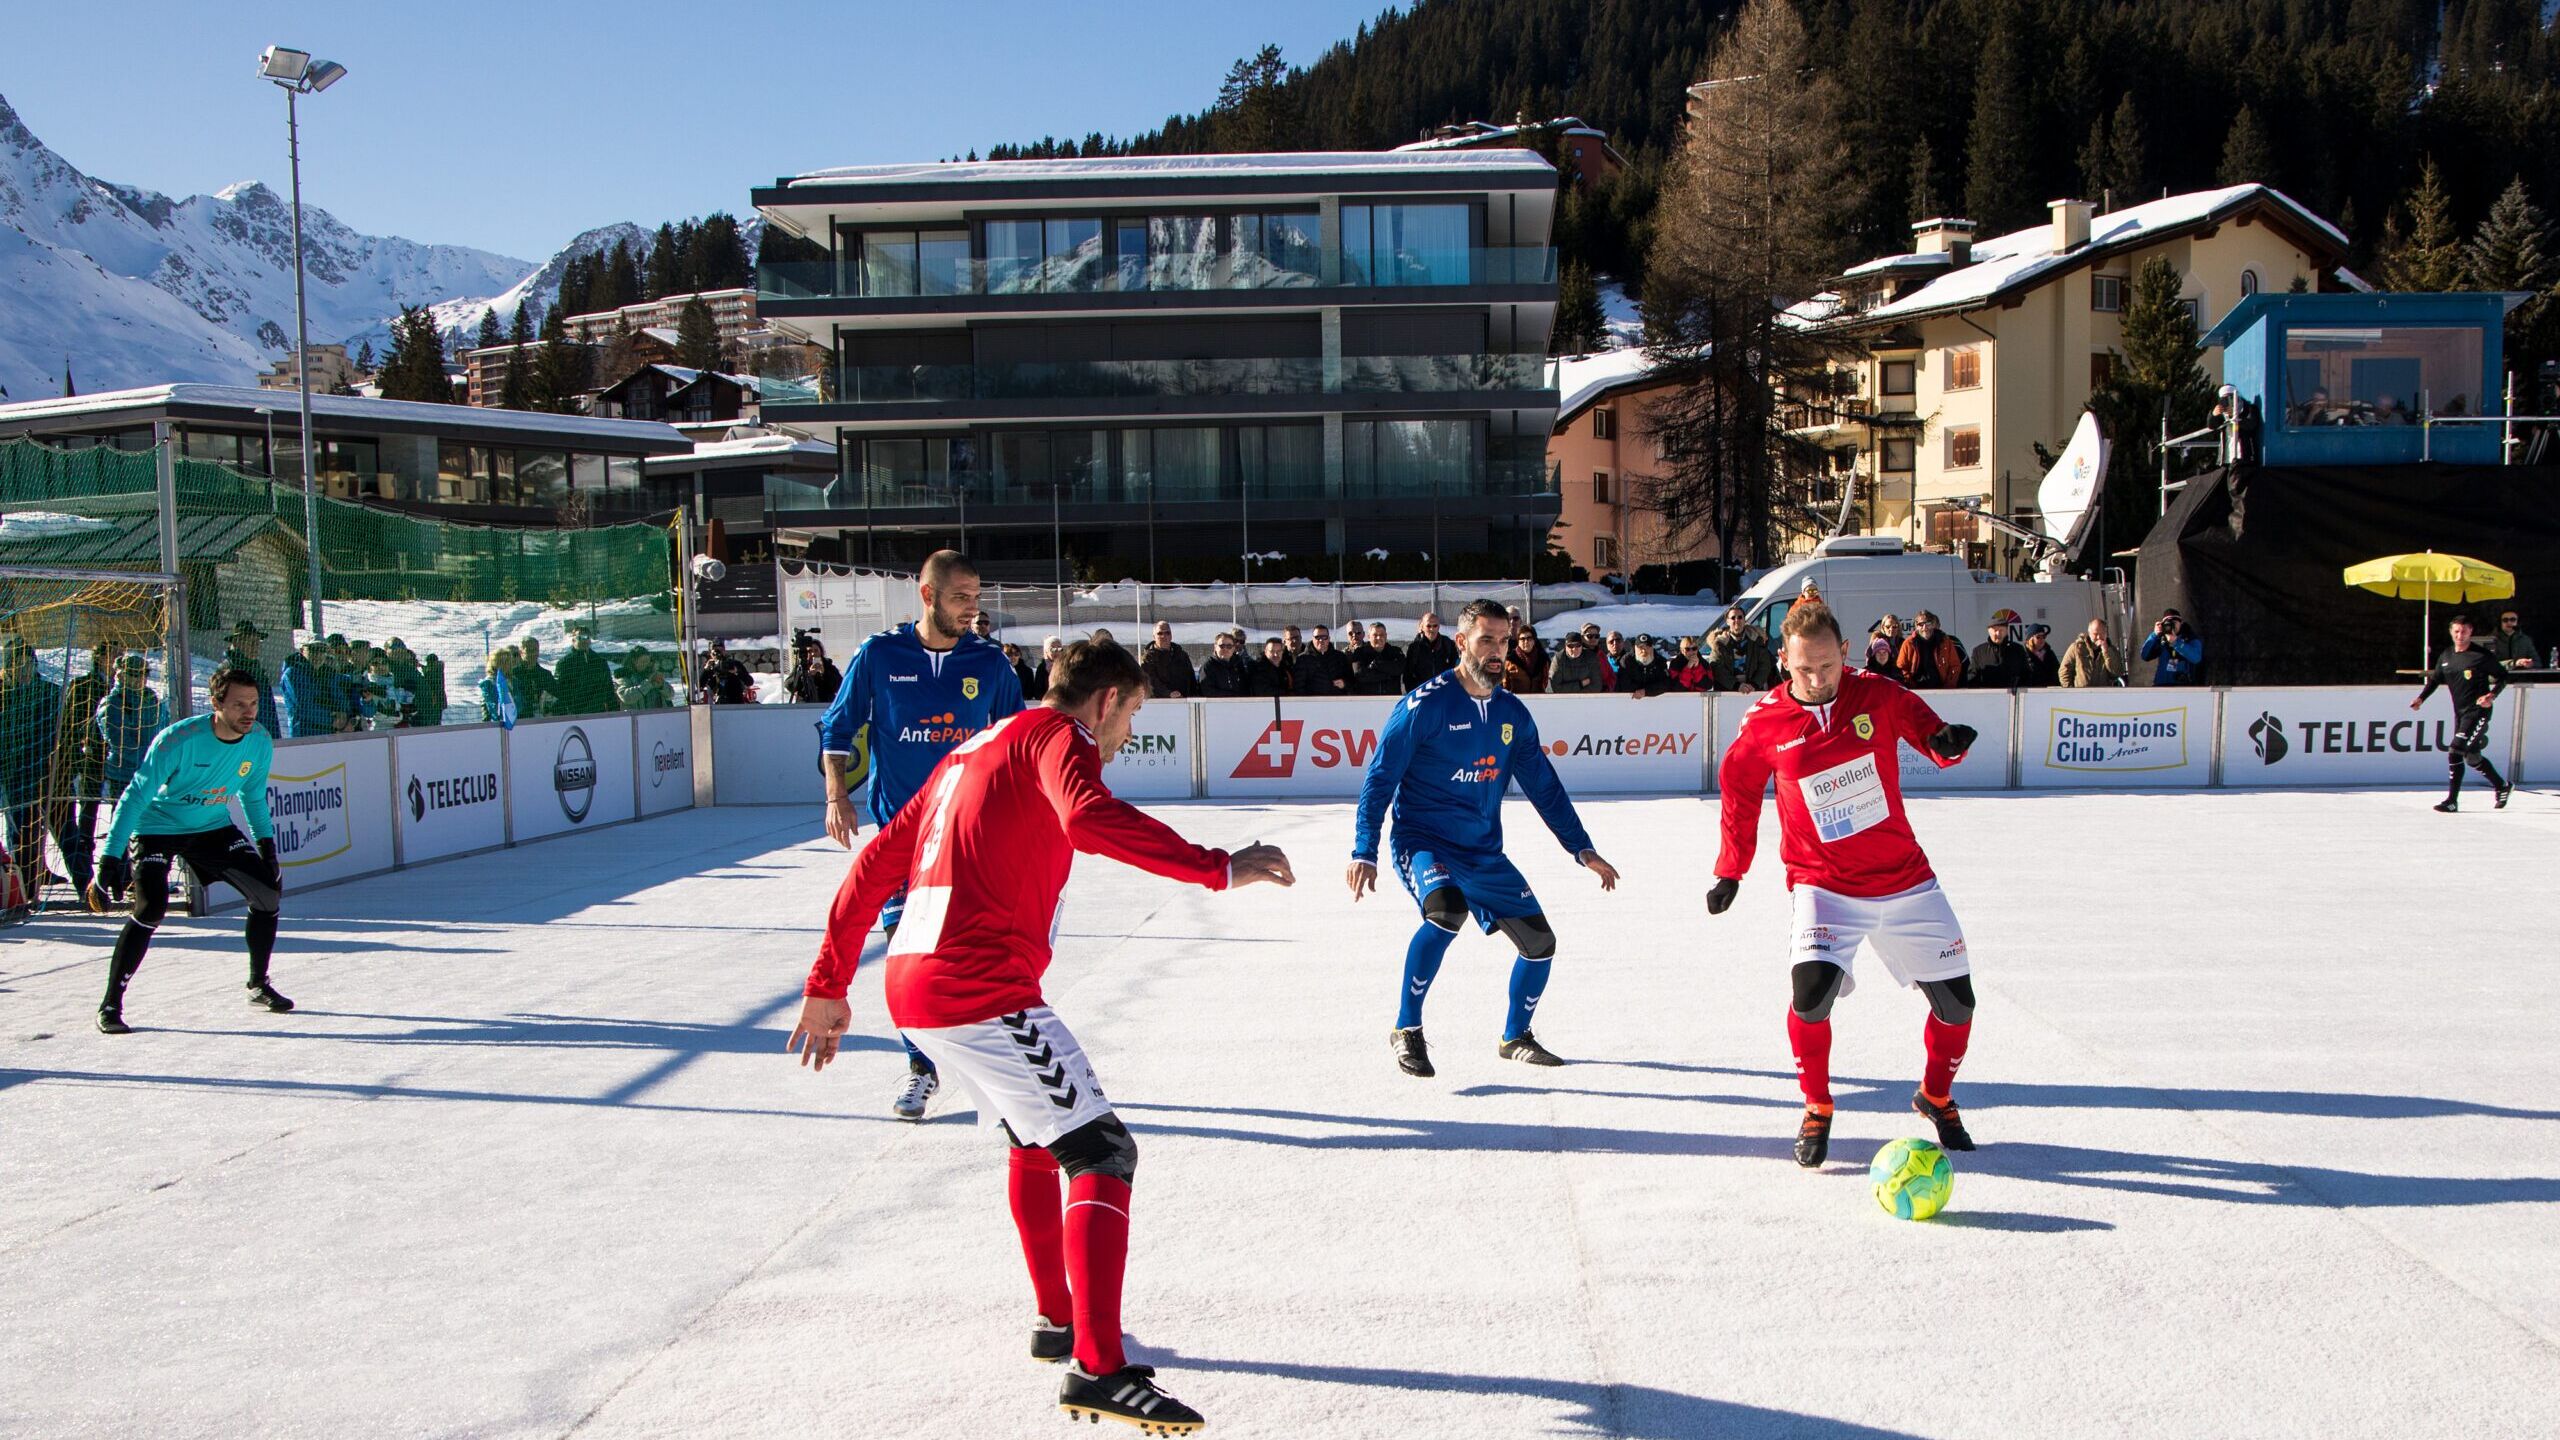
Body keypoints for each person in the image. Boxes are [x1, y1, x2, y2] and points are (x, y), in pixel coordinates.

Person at [792, 640, 1292, 1432]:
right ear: (1104, 703)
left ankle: (1059, 1320)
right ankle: (1100, 1367)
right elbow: (1087, 817)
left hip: (917, 984)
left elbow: (876, 863)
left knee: (1035, 1140)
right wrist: (1216, 867)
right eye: (1131, 714)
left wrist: (829, 984)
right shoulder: (1061, 739)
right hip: (976, 987)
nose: (1126, 735)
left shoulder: (974, 747)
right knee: (1101, 1149)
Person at [1708, 601, 1983, 1169]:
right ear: (1783, 660)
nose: (1817, 680)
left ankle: (1936, 1097)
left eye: (1828, 667)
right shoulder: (1764, 723)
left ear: (1845, 654)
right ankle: (1817, 1106)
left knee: (1958, 1006)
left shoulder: (1878, 694)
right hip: (1824, 886)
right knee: (1810, 998)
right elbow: (1737, 793)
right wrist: (1731, 868)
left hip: (1906, 880)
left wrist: (1946, 744)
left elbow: (1929, 732)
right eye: (1805, 669)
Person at [1351, 599, 1621, 1076]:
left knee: (1540, 945)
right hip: (1423, 841)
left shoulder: (1512, 713)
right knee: (1446, 910)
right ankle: (1406, 1029)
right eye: (1487, 640)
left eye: (1504, 640)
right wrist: (1364, 849)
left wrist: (1581, 848)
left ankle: (1515, 1036)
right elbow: (1379, 779)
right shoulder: (1423, 705)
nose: (1498, 650)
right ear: (1461, 643)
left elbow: (1543, 785)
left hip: (1482, 850)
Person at [816, 550, 1026, 1121]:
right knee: (906, 955)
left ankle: (997, 1071)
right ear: (927, 595)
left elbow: (1017, 743)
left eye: (977, 597)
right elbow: (838, 728)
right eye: (961, 597)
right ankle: (920, 1068)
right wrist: (837, 794)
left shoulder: (990, 664)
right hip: (901, 839)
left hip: (969, 837)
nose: (972, 609)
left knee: (979, 954)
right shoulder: (880, 655)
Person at [87, 666, 291, 1033]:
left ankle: (259, 985)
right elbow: (134, 798)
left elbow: (253, 796)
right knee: (151, 907)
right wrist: (110, 857)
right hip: (156, 827)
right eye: (239, 704)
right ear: (216, 704)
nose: (249, 712)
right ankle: (110, 1005)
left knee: (266, 894)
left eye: (255, 703)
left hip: (211, 827)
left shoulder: (259, 741)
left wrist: (267, 848)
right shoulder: (179, 740)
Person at [2413, 613, 2511, 812]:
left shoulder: (2480, 656)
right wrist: (2421, 698)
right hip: (2460, 713)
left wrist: (2491, 695)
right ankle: (2502, 786)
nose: (2460, 635)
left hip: (2478, 712)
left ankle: (2452, 801)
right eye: (2456, 631)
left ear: (2470, 632)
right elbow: (2434, 680)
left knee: (2455, 750)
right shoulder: (2447, 656)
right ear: (2451, 632)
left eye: (2464, 631)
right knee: (2472, 756)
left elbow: (2503, 676)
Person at [53, 641, 122, 899]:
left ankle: (119, 868)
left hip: (116, 760)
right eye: (113, 655)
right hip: (90, 758)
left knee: (118, 811)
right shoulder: (82, 685)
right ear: (100, 657)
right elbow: (73, 722)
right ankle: (85, 865)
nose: (116, 660)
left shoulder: (121, 687)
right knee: (88, 812)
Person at [0, 636, 66, 904]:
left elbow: (54, 733)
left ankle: (32, 880)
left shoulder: (48, 692)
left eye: (28, 664)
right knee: (17, 826)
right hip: (8, 770)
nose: (23, 670)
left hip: (38, 769)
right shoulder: (3, 692)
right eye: (17, 664)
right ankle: (20, 886)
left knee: (37, 826)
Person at [95, 654, 166, 809]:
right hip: (124, 775)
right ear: (121, 675)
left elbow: (164, 731)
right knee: (125, 819)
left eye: (144, 673)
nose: (140, 678)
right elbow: (120, 743)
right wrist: (149, 760)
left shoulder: (152, 699)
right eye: (134, 674)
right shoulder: (113, 702)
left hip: (151, 773)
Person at [222, 621, 281, 739]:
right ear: (236, 642)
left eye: (257, 642)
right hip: (243, 738)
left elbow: (269, 707)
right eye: (251, 642)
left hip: (265, 732)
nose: (256, 646)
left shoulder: (256, 668)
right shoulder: (229, 671)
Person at [1706, 608, 1774, 692]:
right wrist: (1736, 685)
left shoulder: (1756, 639)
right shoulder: (1719, 643)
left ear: (1744, 620)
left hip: (1754, 692)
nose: (1737, 620)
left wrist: (1754, 685)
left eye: (1740, 617)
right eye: (1733, 618)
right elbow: (1717, 668)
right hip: (1728, 693)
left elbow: (1765, 665)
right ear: (1727, 621)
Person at [1895, 611, 1965, 690]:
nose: (1924, 628)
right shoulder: (1909, 643)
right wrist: (1910, 685)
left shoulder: (1944, 641)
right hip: (1917, 690)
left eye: (1927, 623)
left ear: (1933, 625)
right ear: (1916, 627)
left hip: (1942, 690)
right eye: (1920, 625)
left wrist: (1948, 687)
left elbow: (1955, 665)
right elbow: (1901, 667)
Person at [1966, 610, 2031, 690]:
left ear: (2007, 631)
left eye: (2001, 630)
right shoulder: (1979, 651)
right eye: (1995, 630)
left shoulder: (2017, 650)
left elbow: (2027, 675)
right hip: (1987, 698)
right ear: (1989, 631)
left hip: (2012, 697)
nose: (1998, 634)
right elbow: (1972, 677)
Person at [2140, 610, 2204, 685]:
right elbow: (2145, 655)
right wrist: (2154, 635)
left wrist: (2176, 643)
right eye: (2168, 624)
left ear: (2181, 623)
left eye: (2174, 623)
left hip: (2182, 686)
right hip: (2161, 685)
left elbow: (2196, 658)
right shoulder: (2161, 639)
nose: (2171, 627)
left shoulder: (2189, 638)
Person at [2059, 619, 2127, 688]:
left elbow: (2116, 673)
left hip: (2103, 695)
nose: (2099, 637)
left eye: (2102, 633)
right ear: (2089, 633)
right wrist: (2070, 691)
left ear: (2106, 633)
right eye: (2095, 634)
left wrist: (2106, 652)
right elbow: (2064, 671)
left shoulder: (2112, 650)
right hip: (2081, 695)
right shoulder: (2077, 648)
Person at [1400, 612, 1458, 690]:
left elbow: (1455, 669)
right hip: (1423, 693)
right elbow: (1408, 674)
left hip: (1443, 692)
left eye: (1435, 626)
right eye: (1428, 626)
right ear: (1423, 627)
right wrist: (1414, 692)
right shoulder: (1415, 647)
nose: (1432, 629)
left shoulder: (1448, 645)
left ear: (1439, 627)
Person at [1140, 621, 1198, 699]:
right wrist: (1168, 693)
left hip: (1184, 702)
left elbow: (1191, 680)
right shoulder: (1147, 658)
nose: (1164, 636)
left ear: (1171, 636)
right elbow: (1150, 682)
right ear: (1154, 637)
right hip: (1160, 704)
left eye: (1167, 633)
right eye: (1160, 633)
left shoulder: (1181, 655)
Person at [1292, 625, 1352, 696]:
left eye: (1324, 637)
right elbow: (1299, 686)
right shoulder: (1303, 659)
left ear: (1329, 638)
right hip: (1313, 703)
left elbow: (1352, 681)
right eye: (1317, 637)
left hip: (1336, 702)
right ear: (1312, 639)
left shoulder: (1340, 657)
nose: (1321, 640)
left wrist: (1344, 684)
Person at [1350, 622, 1404, 695]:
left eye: (1381, 635)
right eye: (1375, 635)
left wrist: (1377, 664)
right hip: (1367, 701)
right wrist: (1387, 675)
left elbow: (1399, 669)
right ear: (1369, 637)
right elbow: (1361, 675)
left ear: (1386, 636)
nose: (1379, 638)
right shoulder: (1360, 653)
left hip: (1391, 699)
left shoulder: (1395, 652)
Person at [511, 635, 559, 718]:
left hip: (543, 720)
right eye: (529, 650)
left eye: (535, 650)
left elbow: (555, 697)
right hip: (520, 720)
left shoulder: (545, 674)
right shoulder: (513, 674)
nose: (533, 653)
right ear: (521, 652)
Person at [479, 649, 521, 729]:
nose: (508, 664)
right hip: (494, 726)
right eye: (503, 661)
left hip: (515, 722)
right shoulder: (488, 683)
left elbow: (520, 703)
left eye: (509, 661)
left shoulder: (513, 681)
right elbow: (494, 709)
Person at [1502, 628, 1549, 693]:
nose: (1526, 642)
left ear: (1534, 641)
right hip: (1516, 699)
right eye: (1522, 639)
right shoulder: (1510, 660)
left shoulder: (1542, 659)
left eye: (1529, 638)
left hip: (1538, 699)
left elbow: (1545, 681)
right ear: (1518, 641)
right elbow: (1504, 685)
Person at [1864, 616, 1905, 682]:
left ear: (1898, 628)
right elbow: (1869, 659)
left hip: (1897, 676)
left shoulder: (1903, 642)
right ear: (1883, 627)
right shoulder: (1878, 641)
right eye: (1888, 626)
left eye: (1894, 626)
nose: (1891, 629)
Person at [414, 655, 449, 726]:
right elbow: (428, 671)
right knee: (435, 720)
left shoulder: (436, 671)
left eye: (429, 663)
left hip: (436, 699)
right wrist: (421, 666)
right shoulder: (436, 669)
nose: (428, 665)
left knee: (434, 721)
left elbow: (429, 677)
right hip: (438, 699)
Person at [1030, 636, 1067, 701]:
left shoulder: (1067, 666)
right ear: (1046, 651)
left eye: (1059, 649)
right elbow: (1038, 692)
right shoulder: (1042, 668)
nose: (1057, 652)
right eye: (1053, 649)